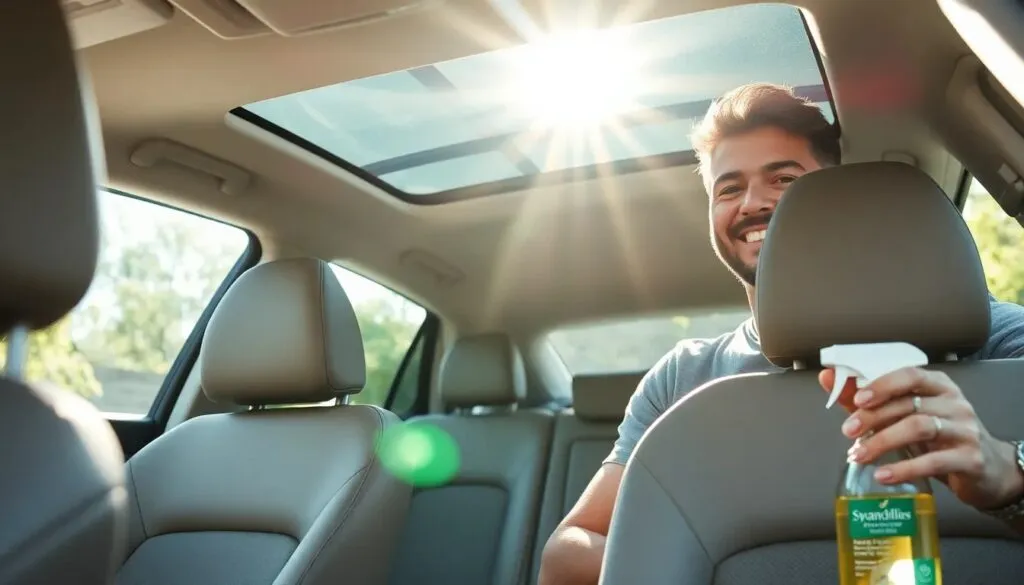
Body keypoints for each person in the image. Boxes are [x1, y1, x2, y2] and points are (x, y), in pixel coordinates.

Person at [536, 82, 1024, 585]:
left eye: (785, 180)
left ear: (835, 200)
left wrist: (1012, 472)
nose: (752, 203)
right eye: (728, 188)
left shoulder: (996, 340)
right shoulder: (685, 376)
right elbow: (567, 554)